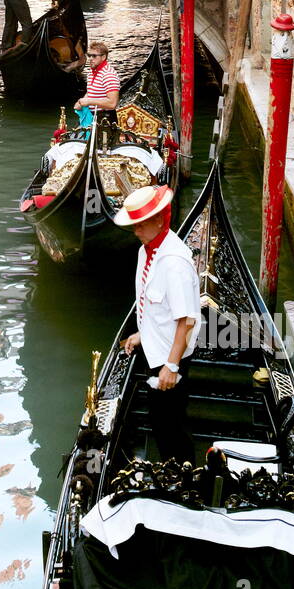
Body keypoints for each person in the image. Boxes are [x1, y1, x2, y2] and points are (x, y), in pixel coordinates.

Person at [115, 185, 201, 464]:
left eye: (140, 224)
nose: (136, 230)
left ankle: (184, 480)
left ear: (158, 220)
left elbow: (186, 320)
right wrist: (141, 334)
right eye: (134, 224)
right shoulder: (147, 250)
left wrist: (172, 366)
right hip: (155, 349)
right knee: (160, 422)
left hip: (170, 356)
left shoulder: (174, 263)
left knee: (172, 427)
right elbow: (155, 306)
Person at [73, 41, 120, 127]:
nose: (90, 58)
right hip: (91, 117)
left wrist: (89, 101)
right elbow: (91, 92)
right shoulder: (91, 72)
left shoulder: (109, 75)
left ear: (103, 57)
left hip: (105, 120)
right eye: (89, 55)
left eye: (94, 56)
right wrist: (80, 102)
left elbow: (112, 103)